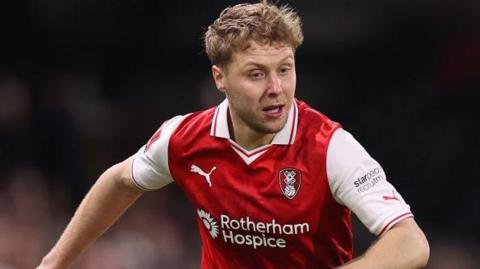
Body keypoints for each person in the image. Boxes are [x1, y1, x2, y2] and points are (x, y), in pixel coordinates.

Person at [37, 1, 430, 268]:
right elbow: (121, 181)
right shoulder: (184, 138)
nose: (276, 87)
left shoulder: (330, 147)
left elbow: (411, 242)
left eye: (285, 68)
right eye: (256, 74)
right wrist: (54, 263)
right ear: (219, 78)